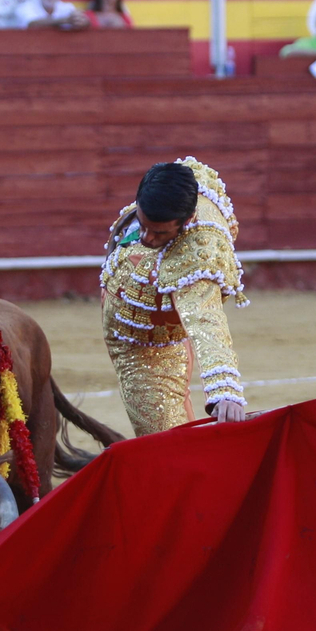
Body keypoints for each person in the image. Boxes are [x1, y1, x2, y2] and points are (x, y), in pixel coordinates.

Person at [100, 158, 247, 436]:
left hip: (150, 352)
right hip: (141, 325)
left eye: (159, 233)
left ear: (188, 220)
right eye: (143, 225)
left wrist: (224, 389)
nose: (147, 237)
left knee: (168, 448)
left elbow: (206, 317)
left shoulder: (196, 253)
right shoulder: (175, 188)